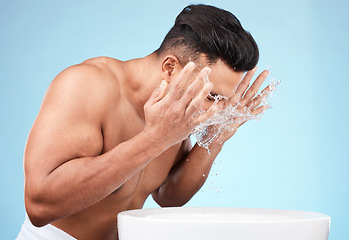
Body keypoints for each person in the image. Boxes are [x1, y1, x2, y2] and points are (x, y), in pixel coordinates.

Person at [17, 4, 271, 240]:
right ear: (171, 68)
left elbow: (168, 196)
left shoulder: (177, 109)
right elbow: (40, 206)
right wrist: (155, 139)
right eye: (212, 96)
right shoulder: (88, 85)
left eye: (221, 101)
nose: (215, 110)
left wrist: (216, 137)